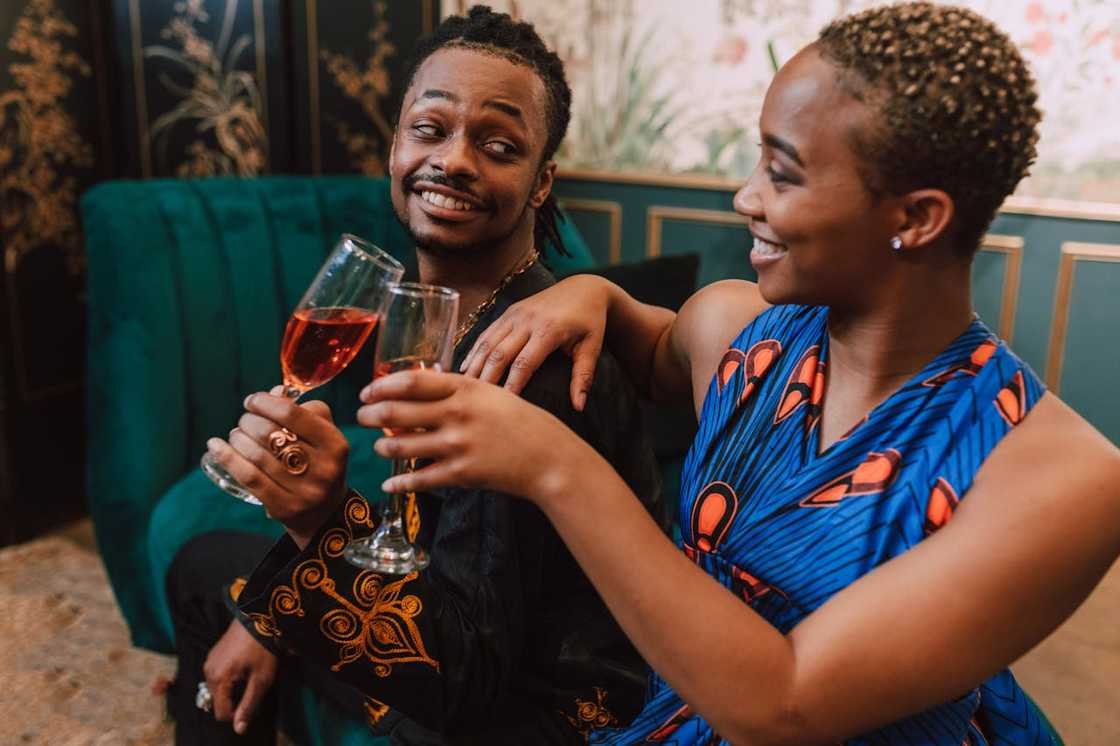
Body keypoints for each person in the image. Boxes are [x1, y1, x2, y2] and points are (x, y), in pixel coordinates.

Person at [358, 3, 1120, 744]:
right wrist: (596, 294)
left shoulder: (1064, 480)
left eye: (782, 174)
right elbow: (658, 354)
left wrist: (553, 465)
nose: (745, 196)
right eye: (756, 158)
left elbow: (782, 708)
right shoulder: (736, 327)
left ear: (916, 218)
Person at [172, 6, 665, 744]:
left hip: (546, 715)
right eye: (429, 129)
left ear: (540, 182)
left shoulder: (531, 368)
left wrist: (319, 522)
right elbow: (429, 540)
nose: (455, 160)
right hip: (464, 629)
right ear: (396, 147)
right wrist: (274, 618)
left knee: (219, 576)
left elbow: (467, 688)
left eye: (498, 144)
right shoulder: (434, 311)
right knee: (222, 577)